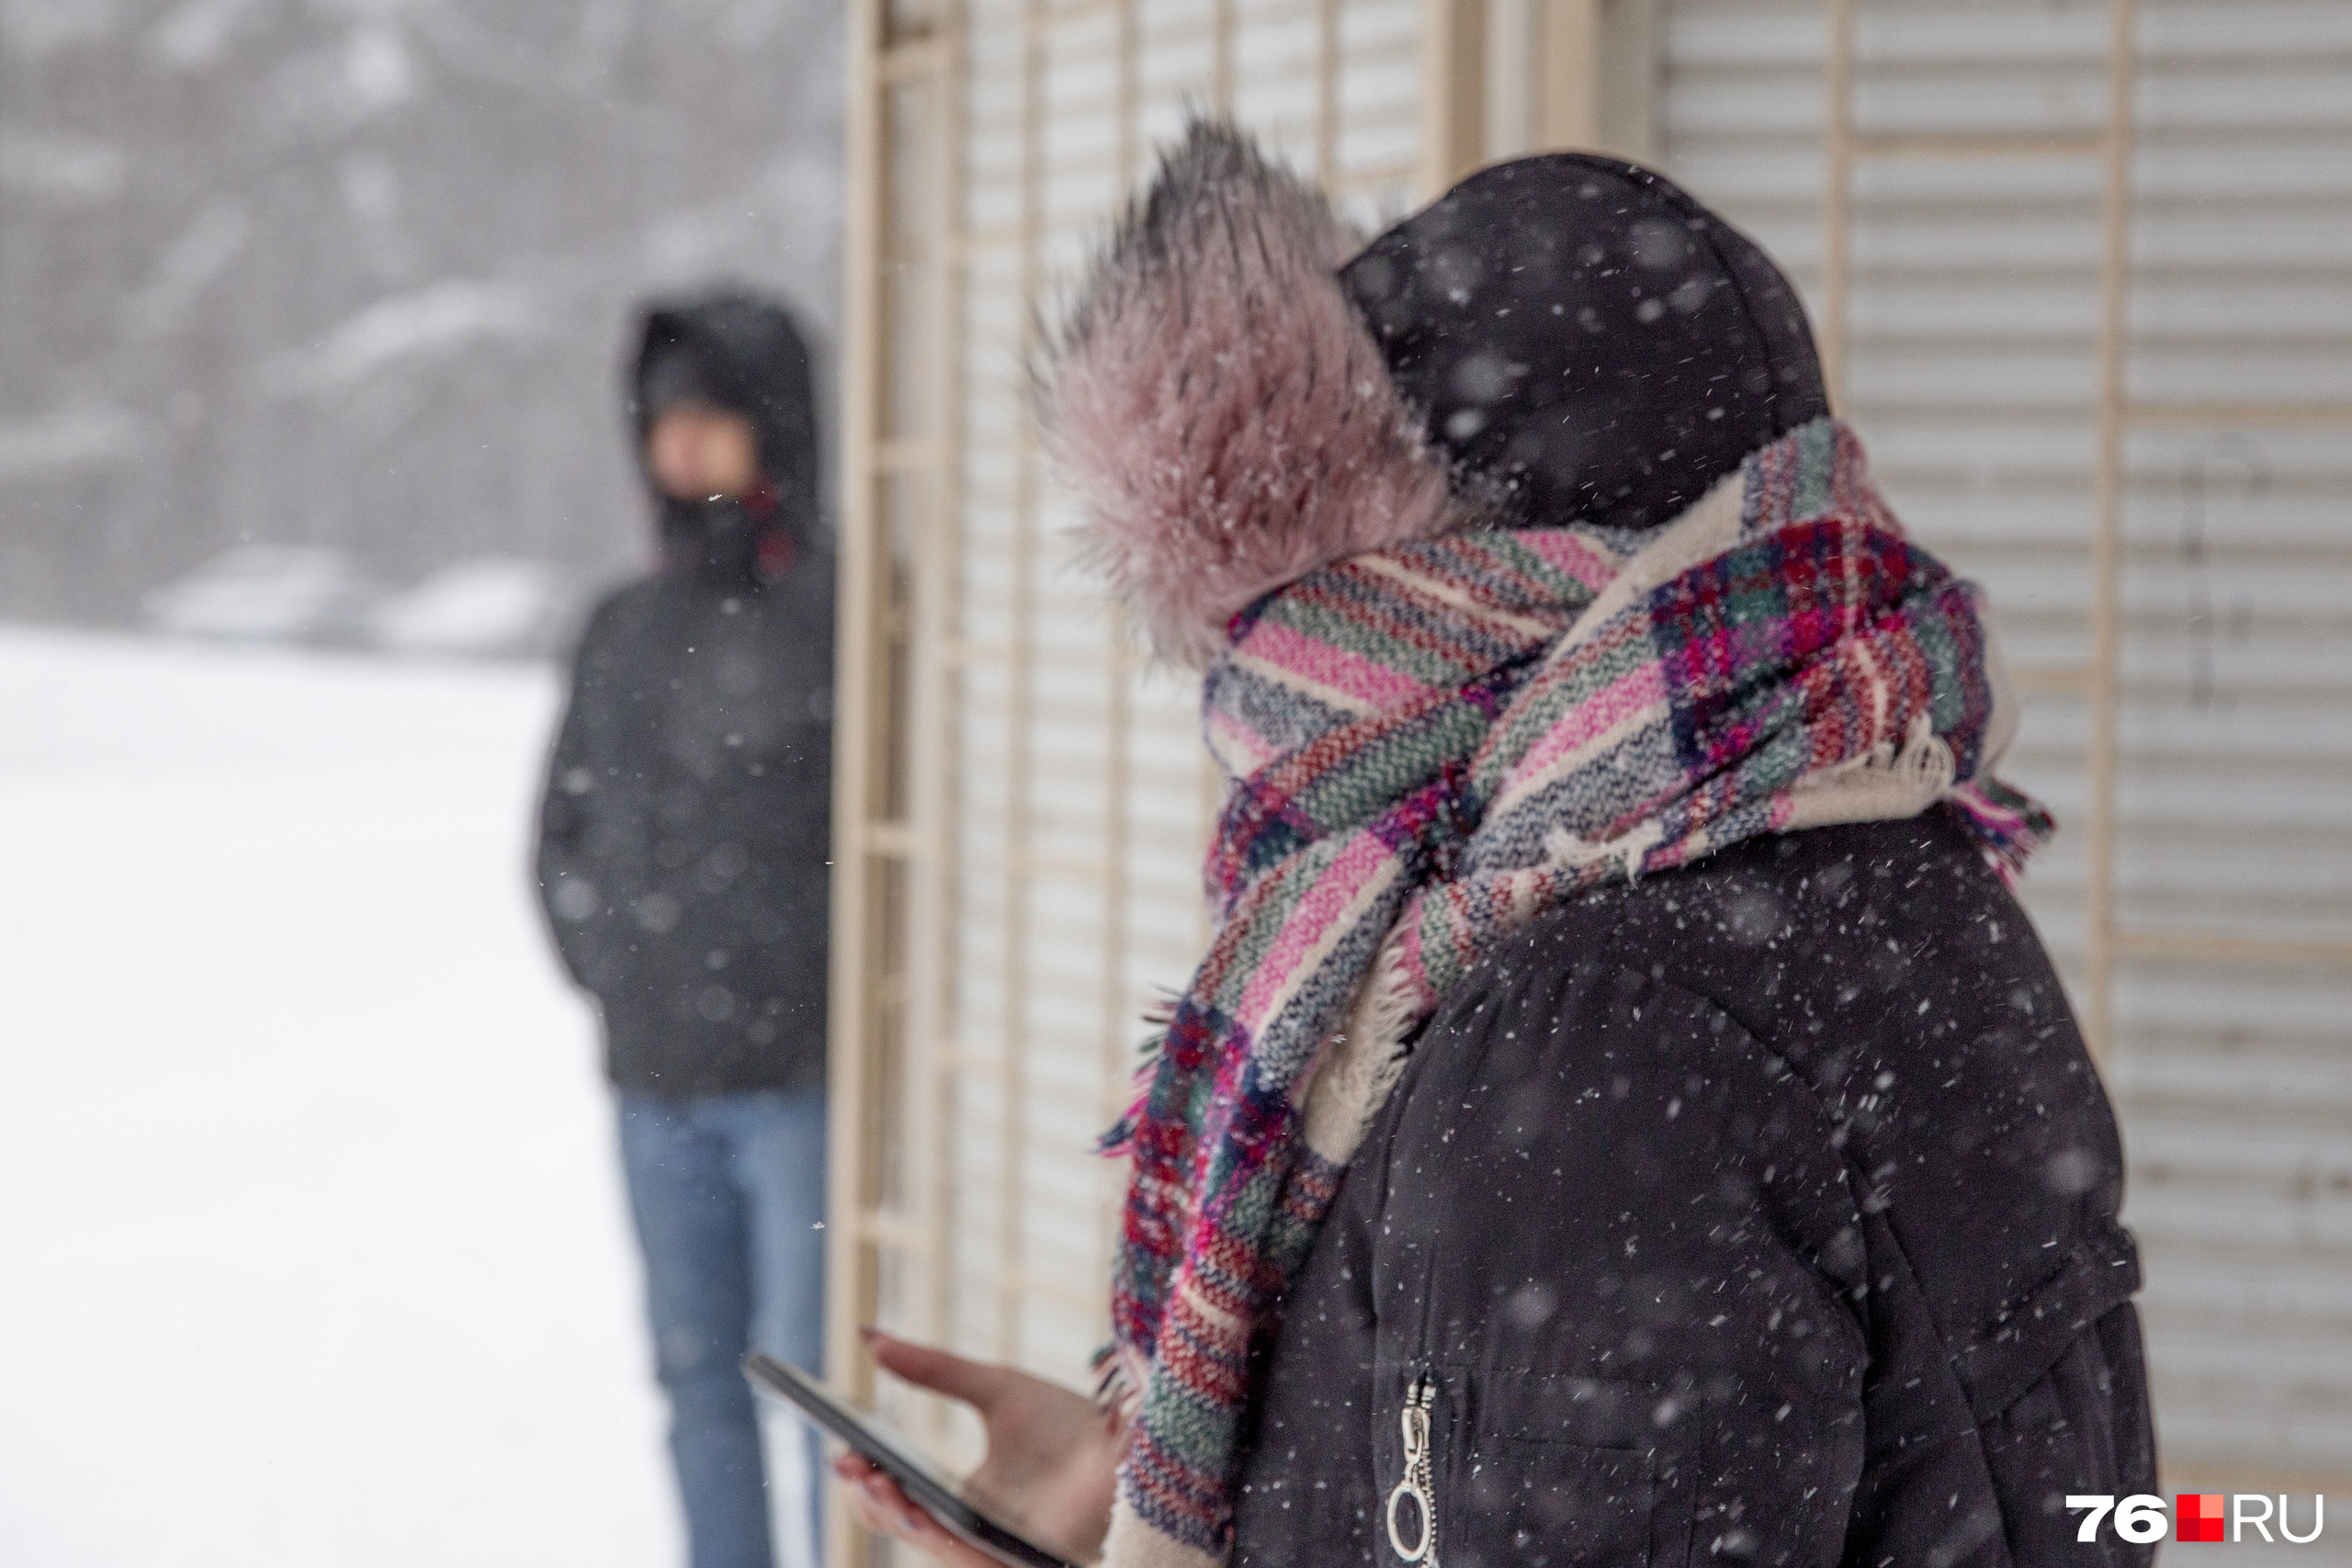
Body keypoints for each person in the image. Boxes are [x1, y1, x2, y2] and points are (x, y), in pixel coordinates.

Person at [838, 123, 2157, 1568]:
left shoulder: (1598, 1031)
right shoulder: (1889, 852)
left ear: (1433, 604)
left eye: (1296, 635)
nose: (1251, 708)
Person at [536, 290, 834, 1568]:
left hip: (805, 1091)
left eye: (712, 422)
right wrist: (619, 978)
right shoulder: (619, 627)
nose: (683, 451)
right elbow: (560, 840)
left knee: (828, 1397)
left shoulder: (840, 613)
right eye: (665, 427)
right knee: (696, 1390)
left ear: (773, 428)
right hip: (656, 1088)